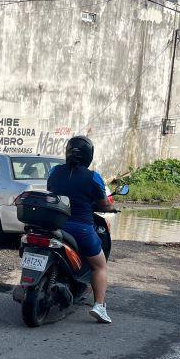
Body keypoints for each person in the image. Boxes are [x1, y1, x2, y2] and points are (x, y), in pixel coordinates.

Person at [46, 135, 114, 324]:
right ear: (88, 155)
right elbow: (103, 204)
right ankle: (99, 306)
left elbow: (50, 188)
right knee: (99, 265)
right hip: (81, 229)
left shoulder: (55, 172)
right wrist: (109, 207)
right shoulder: (93, 177)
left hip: (54, 225)